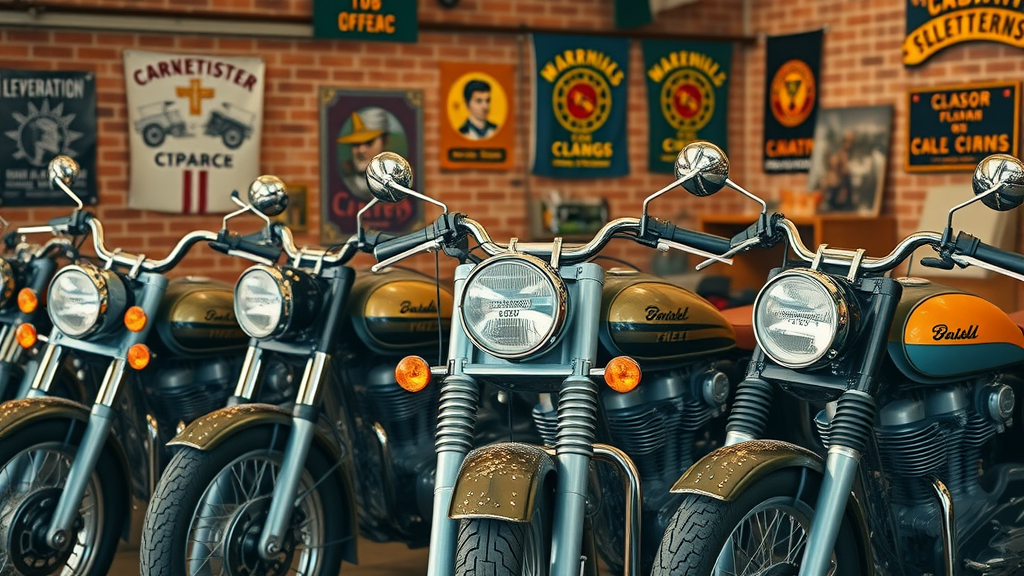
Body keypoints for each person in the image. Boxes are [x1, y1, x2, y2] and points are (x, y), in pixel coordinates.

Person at [337, 108, 390, 201]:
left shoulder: (397, 186)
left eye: (369, 142)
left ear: (385, 141)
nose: (361, 150)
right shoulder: (343, 181)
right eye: (356, 143)